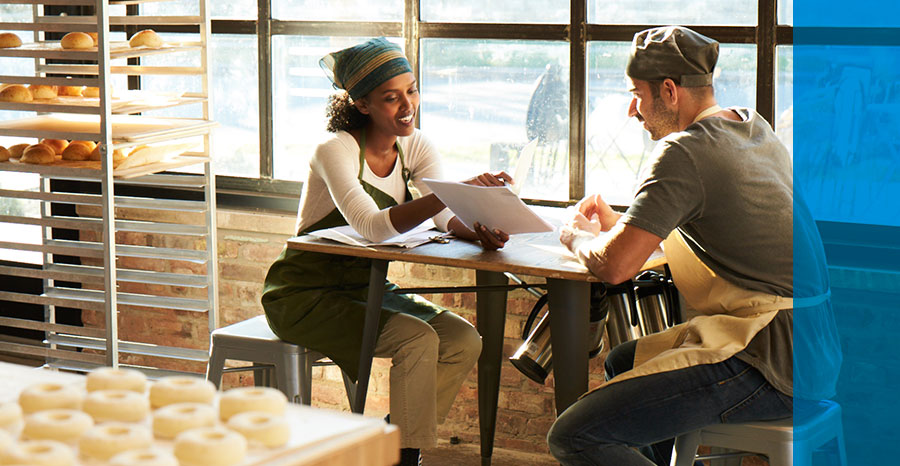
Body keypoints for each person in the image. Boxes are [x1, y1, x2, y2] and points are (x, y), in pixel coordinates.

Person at [547, 26, 841, 465]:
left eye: (637, 94)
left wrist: (576, 236)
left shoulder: (684, 151)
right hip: (817, 352)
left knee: (572, 436)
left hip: (770, 360)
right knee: (624, 361)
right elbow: (722, 226)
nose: (632, 109)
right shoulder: (749, 127)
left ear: (669, 91)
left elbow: (613, 268)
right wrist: (624, 226)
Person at [261, 38, 510, 466]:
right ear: (361, 104)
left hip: (367, 286)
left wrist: (476, 230)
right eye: (391, 97)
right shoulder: (334, 150)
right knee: (417, 339)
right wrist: (454, 193)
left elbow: (441, 215)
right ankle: (402, 456)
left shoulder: (416, 145)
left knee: (464, 340)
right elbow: (372, 227)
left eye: (411, 91)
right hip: (304, 294)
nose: (407, 105)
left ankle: (393, 441)